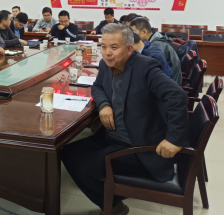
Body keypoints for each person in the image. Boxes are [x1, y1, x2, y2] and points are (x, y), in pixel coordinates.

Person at [62, 23, 188, 215]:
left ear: (129, 49)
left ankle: (113, 208)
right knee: (67, 152)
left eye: (114, 47)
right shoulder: (106, 64)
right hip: (113, 135)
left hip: (138, 145)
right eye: (103, 46)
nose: (107, 52)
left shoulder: (145, 67)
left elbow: (177, 96)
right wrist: (104, 105)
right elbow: (97, 86)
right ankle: (110, 199)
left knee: (84, 168)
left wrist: (174, 139)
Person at [130, 18, 183, 85]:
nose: (130, 36)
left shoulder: (156, 46)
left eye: (133, 32)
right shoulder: (154, 41)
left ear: (144, 32)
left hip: (172, 84)